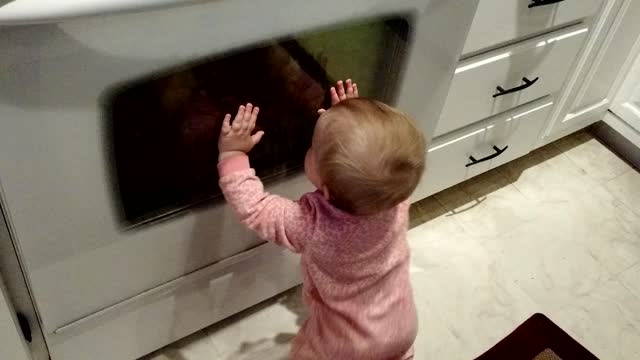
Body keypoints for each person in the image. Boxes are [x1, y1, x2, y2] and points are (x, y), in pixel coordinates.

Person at [217, 79, 425, 359]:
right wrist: (348, 124)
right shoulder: (395, 199)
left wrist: (233, 154)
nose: (311, 149)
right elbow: (374, 165)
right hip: (401, 327)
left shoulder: (311, 224)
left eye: (314, 149)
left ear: (325, 189)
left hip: (344, 345)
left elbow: (255, 207)